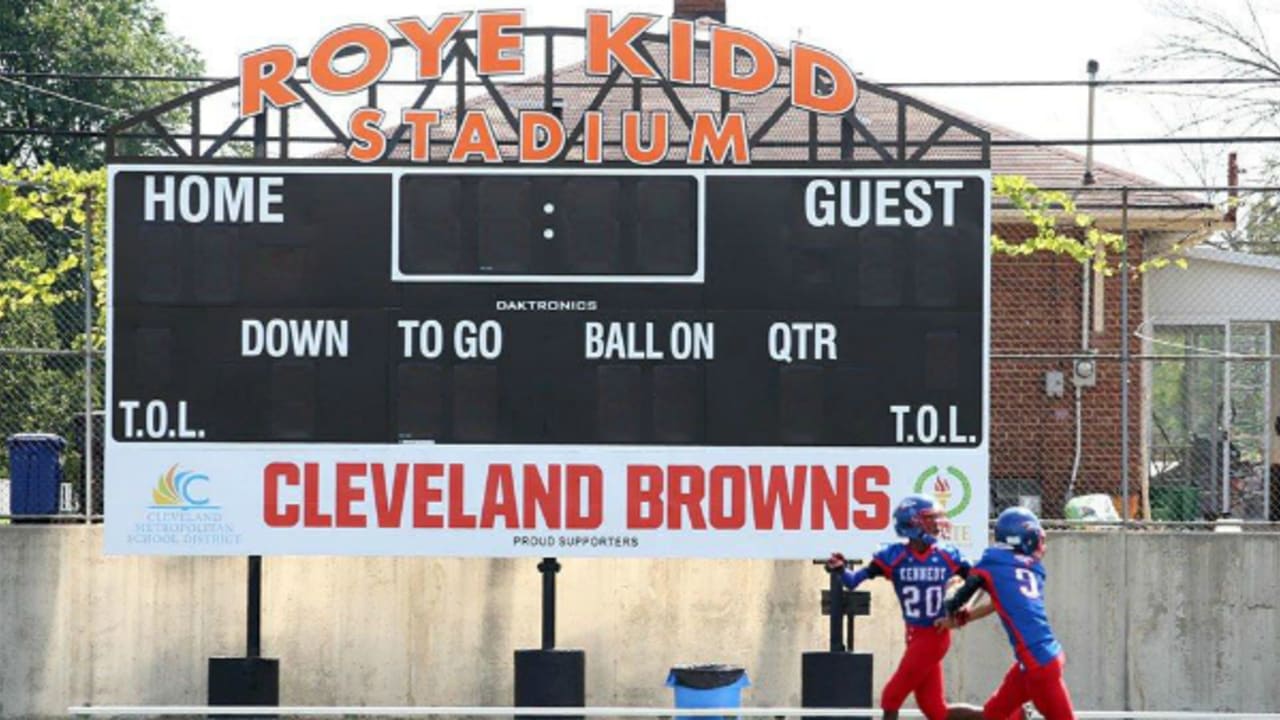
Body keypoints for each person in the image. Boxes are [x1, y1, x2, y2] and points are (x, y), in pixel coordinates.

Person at [826, 494, 971, 720]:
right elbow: (852, 581)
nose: (936, 523)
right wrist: (840, 570)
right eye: (929, 518)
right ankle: (1010, 715)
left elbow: (979, 581)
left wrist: (963, 604)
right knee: (935, 710)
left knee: (891, 697)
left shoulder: (946, 554)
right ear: (913, 523)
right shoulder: (894, 556)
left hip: (934, 634)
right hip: (914, 635)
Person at [937, 506, 1076, 720]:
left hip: (1038, 663)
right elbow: (997, 601)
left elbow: (955, 601)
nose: (1040, 544)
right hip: (1038, 660)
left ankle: (1020, 716)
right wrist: (965, 617)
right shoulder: (1035, 568)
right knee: (993, 714)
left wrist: (952, 589)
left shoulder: (993, 561)